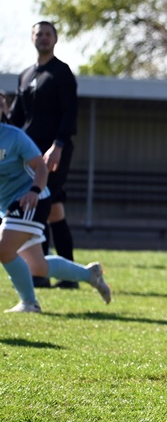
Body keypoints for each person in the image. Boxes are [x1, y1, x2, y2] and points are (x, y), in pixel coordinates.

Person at [0, 122, 111, 313]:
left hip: (30, 200)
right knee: (38, 266)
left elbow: (41, 167)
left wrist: (34, 191)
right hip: (7, 206)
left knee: (3, 249)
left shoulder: (14, 136)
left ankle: (29, 303)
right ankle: (89, 275)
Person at [6, 21, 80, 290]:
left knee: (44, 204)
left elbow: (70, 112)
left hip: (52, 154)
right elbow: (16, 118)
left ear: (56, 39)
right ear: (32, 38)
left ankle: (43, 273)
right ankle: (63, 274)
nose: (44, 38)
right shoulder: (25, 75)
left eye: (48, 34)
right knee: (54, 209)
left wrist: (58, 145)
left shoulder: (62, 73)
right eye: (39, 34)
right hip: (29, 154)